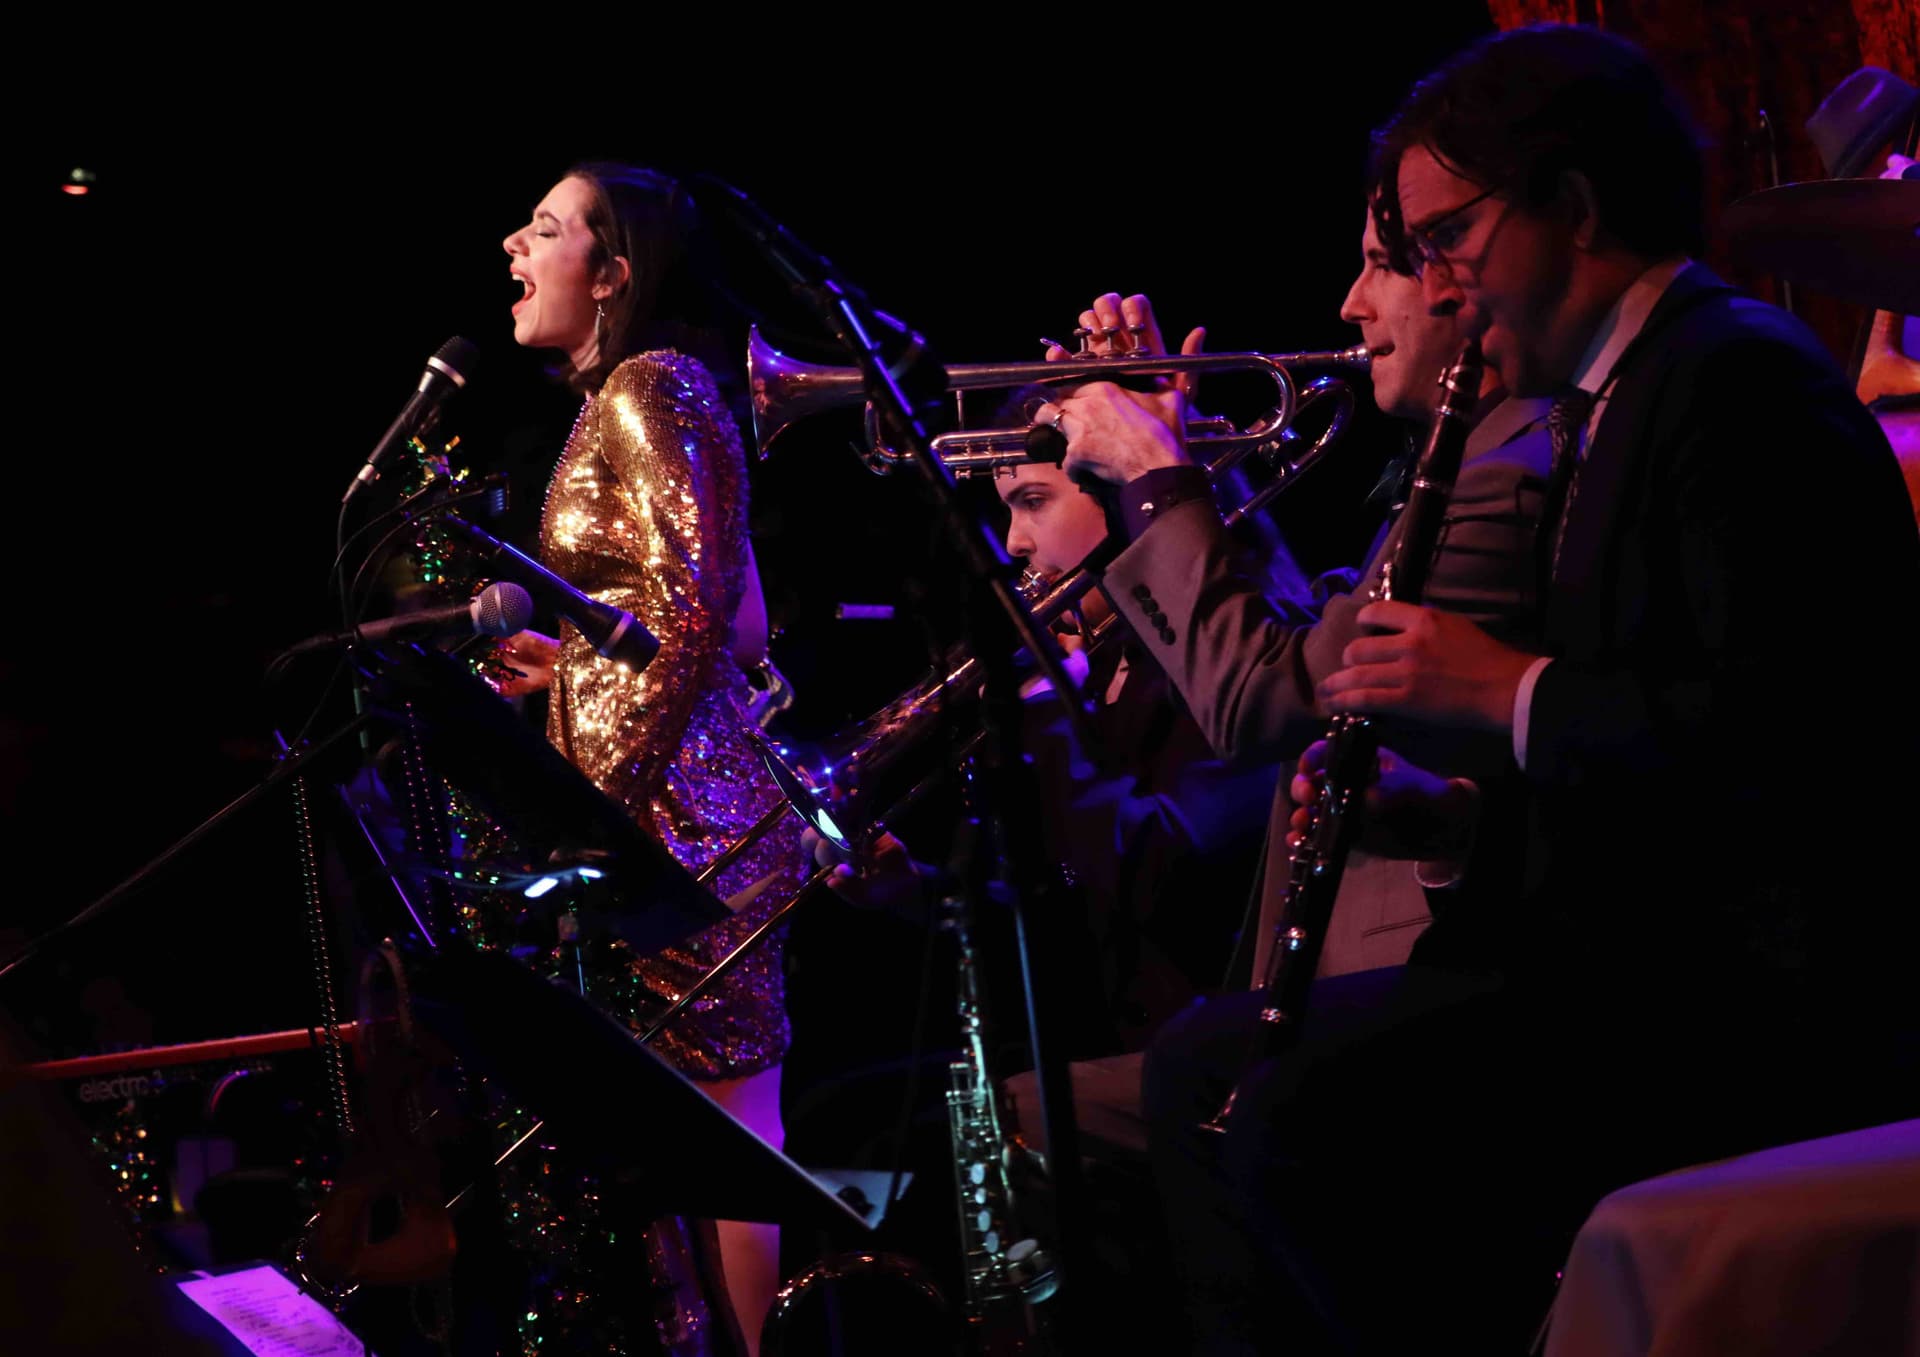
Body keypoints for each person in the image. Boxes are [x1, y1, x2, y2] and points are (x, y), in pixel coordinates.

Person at [1056, 25, 1920, 1353]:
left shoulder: (1735, 382)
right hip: (1626, 966)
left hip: (1731, 1001)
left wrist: (1510, 692)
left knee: (1274, 1113)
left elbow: (1784, 742)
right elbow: (1638, 729)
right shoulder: (1624, 390)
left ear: (1571, 209)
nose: (1434, 287)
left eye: (1444, 237)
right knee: (1216, 1073)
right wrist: (1452, 819)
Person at [495, 162, 804, 1357]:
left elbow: (695, 606)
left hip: (690, 827)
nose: (513, 245)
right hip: (666, 816)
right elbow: (738, 627)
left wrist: (596, 815)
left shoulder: (653, 382)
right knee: (694, 1147)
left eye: (545, 228)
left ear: (615, 272)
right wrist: (566, 667)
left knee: (723, 1141)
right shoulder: (623, 395)